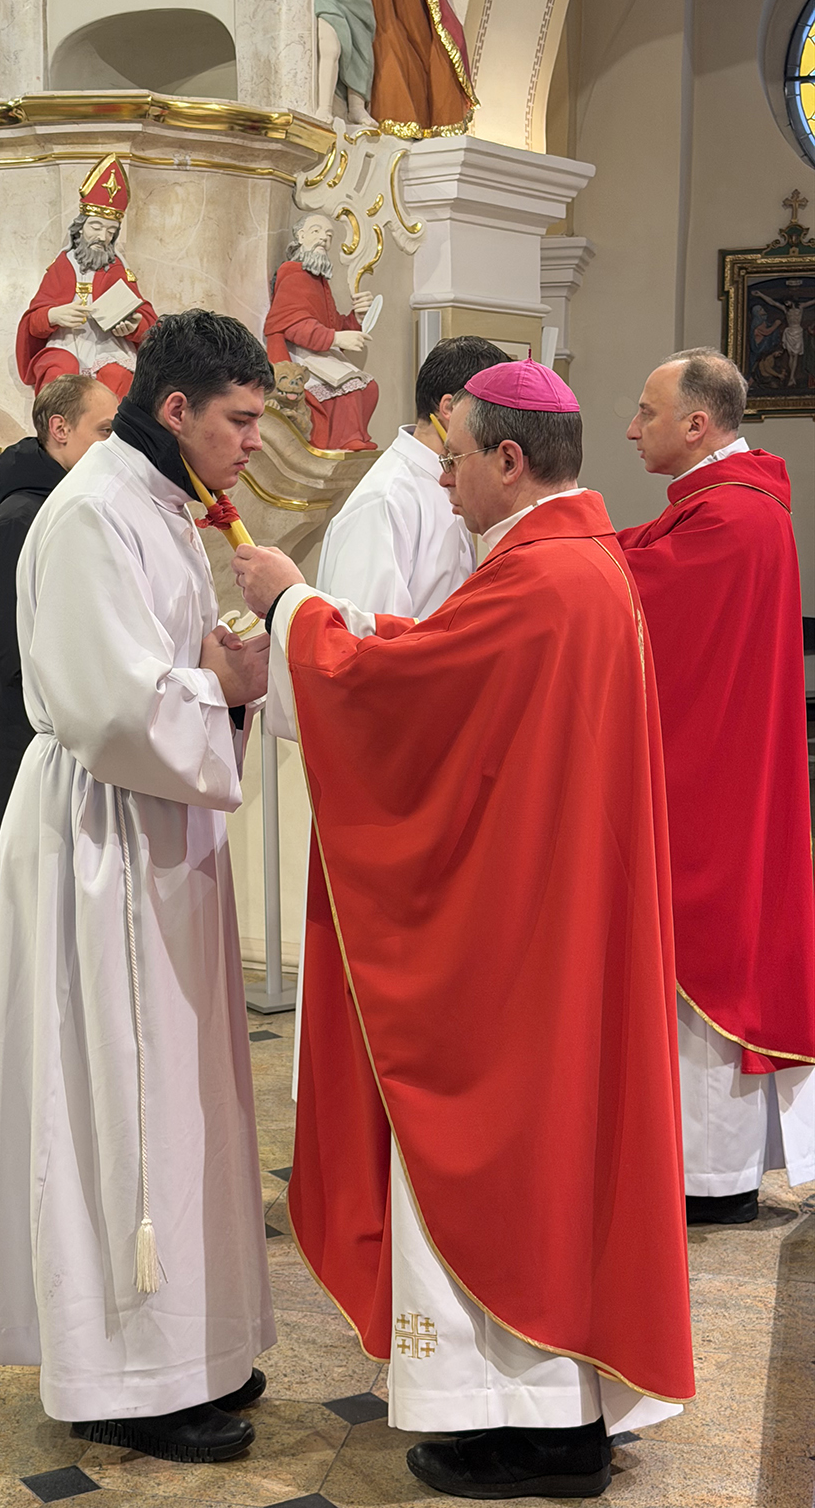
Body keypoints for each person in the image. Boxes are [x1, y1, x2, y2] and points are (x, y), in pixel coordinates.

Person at [232, 356, 694, 1500]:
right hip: (557, 915)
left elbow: (407, 693)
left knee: (506, 1159)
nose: (441, 480)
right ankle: (558, 1414)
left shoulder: (542, 577)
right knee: (561, 1167)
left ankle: (534, 1431)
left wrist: (294, 605)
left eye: (455, 459)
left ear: (509, 457)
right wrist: (351, 622)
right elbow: (445, 662)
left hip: (515, 942)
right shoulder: (582, 564)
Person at [0, 310, 276, 1463]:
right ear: (177, 408)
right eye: (240, 419)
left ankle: (192, 1346)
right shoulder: (95, 509)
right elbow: (111, 710)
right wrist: (221, 690)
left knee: (176, 1093)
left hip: (156, 828)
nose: (256, 441)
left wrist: (223, 679)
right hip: (102, 833)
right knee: (117, 1094)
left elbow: (165, 676)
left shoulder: (158, 502)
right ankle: (124, 1378)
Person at [620, 348, 814, 1224]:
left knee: (706, 968)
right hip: (734, 766)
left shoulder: (729, 519)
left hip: (711, 781)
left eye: (647, 412)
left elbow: (634, 591)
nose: (632, 428)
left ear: (698, 424)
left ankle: (711, 1179)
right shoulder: (731, 505)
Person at [0, 373, 117, 838]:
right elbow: (15, 654)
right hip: (39, 752)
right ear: (60, 429)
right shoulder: (20, 520)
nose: (114, 445)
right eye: (104, 430)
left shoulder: (71, 505)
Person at [316, 335, 509, 615]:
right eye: (494, 411)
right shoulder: (385, 500)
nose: (502, 426)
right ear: (449, 408)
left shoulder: (456, 481)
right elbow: (366, 633)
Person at [16, 155, 158, 398]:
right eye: (96, 227)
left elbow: (146, 318)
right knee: (60, 373)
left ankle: (110, 424)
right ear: (80, 227)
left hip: (109, 347)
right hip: (66, 342)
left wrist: (134, 326)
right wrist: (53, 315)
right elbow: (33, 320)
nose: (103, 237)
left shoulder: (117, 268)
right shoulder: (63, 265)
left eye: (111, 231)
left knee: (118, 375)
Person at [264, 214, 377, 451]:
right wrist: (335, 338)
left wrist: (356, 318)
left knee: (369, 387)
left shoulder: (318, 280)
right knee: (349, 385)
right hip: (298, 355)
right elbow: (292, 324)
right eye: (316, 231)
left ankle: (353, 438)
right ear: (300, 236)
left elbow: (331, 323)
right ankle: (344, 441)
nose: (324, 238)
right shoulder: (292, 272)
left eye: (329, 235)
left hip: (318, 351)